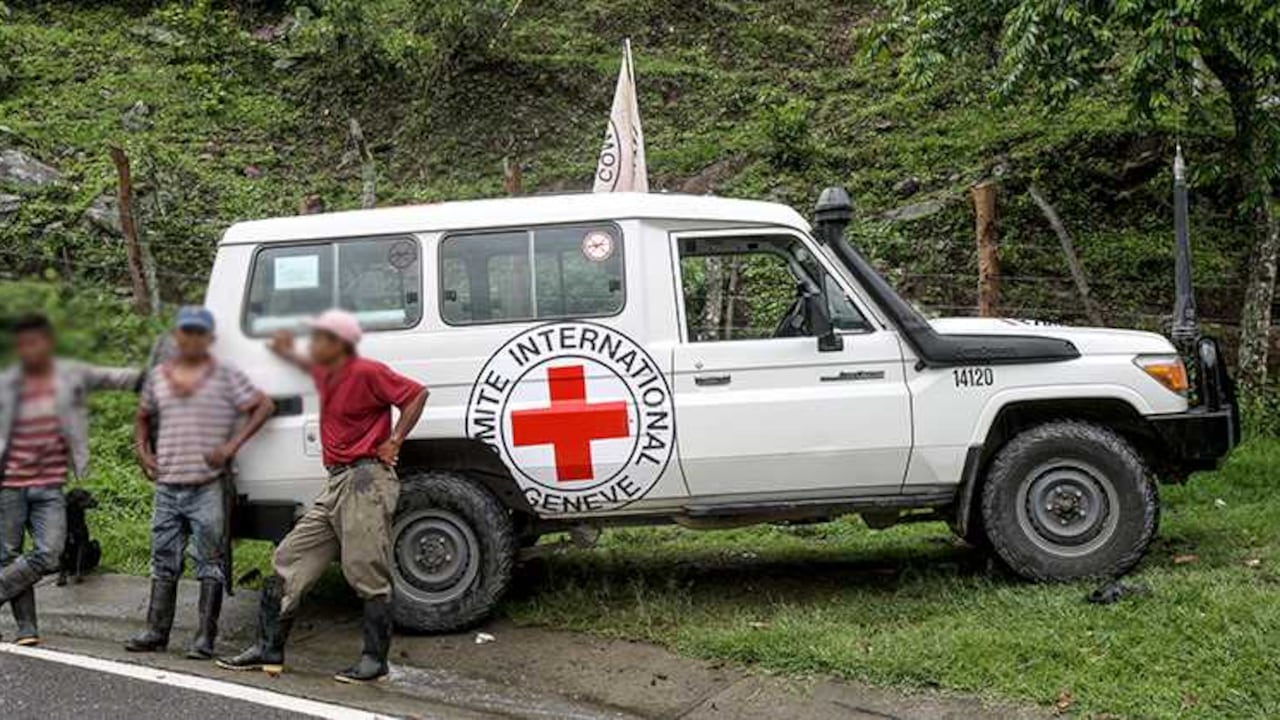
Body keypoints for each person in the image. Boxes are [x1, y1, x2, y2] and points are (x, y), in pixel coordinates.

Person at [218, 309, 428, 684]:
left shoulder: (367, 371)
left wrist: (394, 440)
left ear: (339, 343)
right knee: (290, 555)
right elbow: (304, 362)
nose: (312, 345)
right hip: (336, 482)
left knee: (365, 568)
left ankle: (374, 660)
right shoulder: (325, 373)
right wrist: (285, 352)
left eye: (319, 338)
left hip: (365, 479)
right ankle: (268, 648)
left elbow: (416, 393)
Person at [127, 307, 274, 658]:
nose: (191, 339)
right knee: (163, 559)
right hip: (167, 486)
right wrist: (143, 453)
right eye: (186, 333)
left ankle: (204, 639)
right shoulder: (160, 376)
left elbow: (264, 406)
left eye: (199, 333)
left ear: (209, 339)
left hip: (206, 486)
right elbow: (143, 416)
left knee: (209, 560)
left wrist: (231, 446)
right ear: (178, 336)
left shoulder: (225, 375)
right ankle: (155, 632)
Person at [0, 313, 141, 645]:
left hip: (50, 486)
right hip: (9, 483)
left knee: (51, 553)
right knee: (8, 554)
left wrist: (152, 377)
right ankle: (27, 629)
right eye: (22, 344)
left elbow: (113, 377)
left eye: (34, 342)